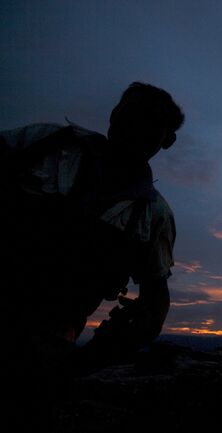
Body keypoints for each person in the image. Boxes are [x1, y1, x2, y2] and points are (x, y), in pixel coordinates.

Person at [0, 82, 184, 369]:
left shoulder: (153, 215)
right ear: (114, 115)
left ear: (166, 139)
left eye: (151, 121)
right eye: (130, 113)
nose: (135, 126)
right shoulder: (47, 143)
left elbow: (155, 298)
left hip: (47, 345)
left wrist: (112, 346)